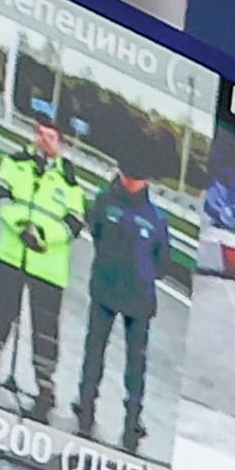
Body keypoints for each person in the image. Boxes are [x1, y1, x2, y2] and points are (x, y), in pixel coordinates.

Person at [0, 112, 83, 416]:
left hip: (48, 265)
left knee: (45, 328)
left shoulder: (69, 180)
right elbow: (1, 196)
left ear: (60, 143)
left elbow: (74, 223)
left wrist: (43, 237)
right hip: (13, 253)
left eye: (51, 136)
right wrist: (21, 227)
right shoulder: (16, 162)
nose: (44, 140)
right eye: (40, 134)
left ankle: (45, 385)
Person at [71, 161, 166, 443]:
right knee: (94, 349)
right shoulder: (104, 201)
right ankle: (86, 401)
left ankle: (133, 415)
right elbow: (96, 233)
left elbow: (162, 262)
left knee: (136, 360)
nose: (132, 182)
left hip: (139, 298)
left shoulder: (156, 217)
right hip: (105, 289)